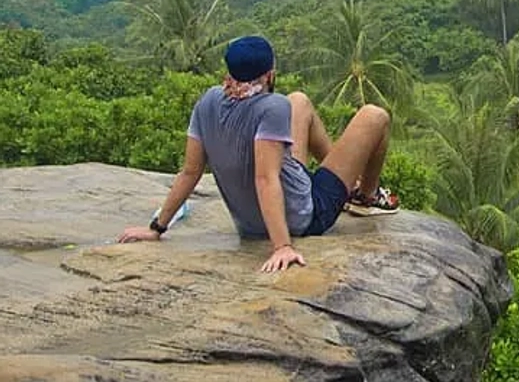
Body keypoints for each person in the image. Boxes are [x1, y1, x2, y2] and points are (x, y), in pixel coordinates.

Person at [118, 35, 399, 272]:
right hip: (304, 216)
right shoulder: (272, 106)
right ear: (269, 74)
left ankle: (349, 188)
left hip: (251, 221)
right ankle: (365, 196)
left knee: (298, 101)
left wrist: (157, 228)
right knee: (374, 116)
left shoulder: (209, 101)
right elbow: (266, 180)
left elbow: (190, 171)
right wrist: (283, 246)